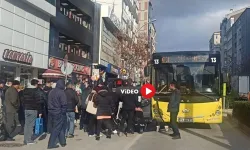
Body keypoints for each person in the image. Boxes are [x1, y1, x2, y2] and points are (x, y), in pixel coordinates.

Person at [22, 79, 44, 144]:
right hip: (33, 109)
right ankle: (29, 140)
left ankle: (25, 139)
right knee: (31, 125)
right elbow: (38, 102)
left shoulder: (25, 90)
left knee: (26, 125)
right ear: (36, 84)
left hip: (26, 109)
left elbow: (22, 100)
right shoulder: (36, 91)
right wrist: (40, 111)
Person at [47, 79, 67, 149]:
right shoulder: (61, 92)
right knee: (56, 128)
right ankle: (51, 144)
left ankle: (63, 142)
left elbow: (49, 102)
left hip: (51, 112)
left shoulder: (51, 91)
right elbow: (64, 104)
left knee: (59, 127)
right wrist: (63, 112)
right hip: (58, 112)